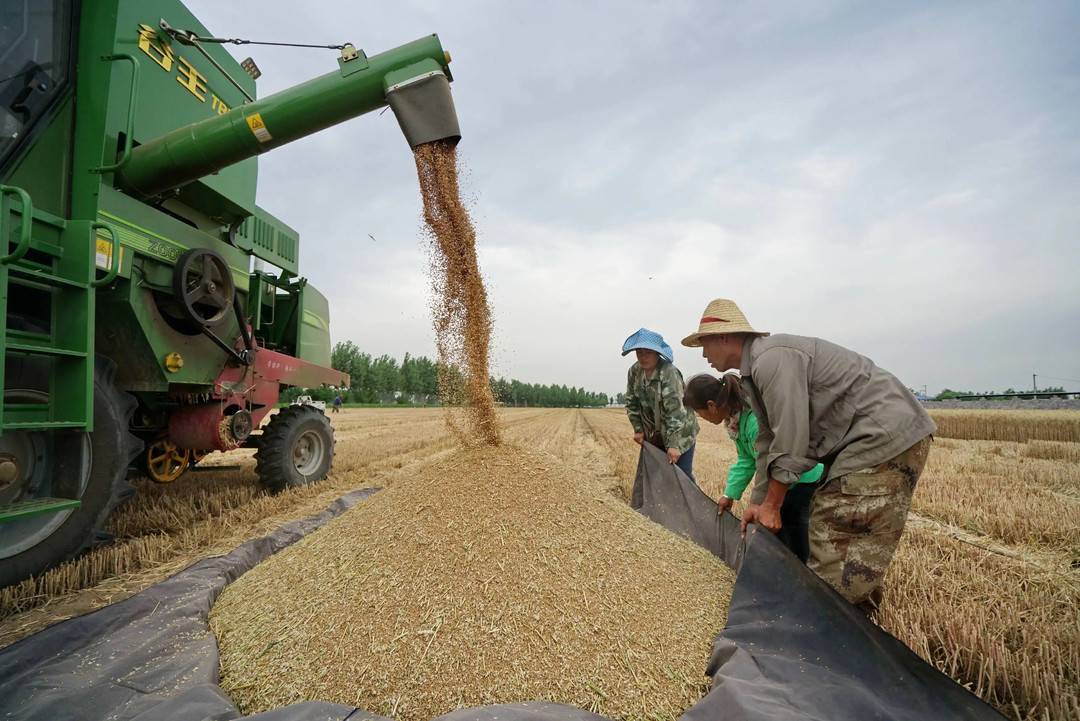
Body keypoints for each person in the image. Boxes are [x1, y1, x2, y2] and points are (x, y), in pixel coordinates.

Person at [681, 299, 936, 609]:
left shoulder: (770, 361)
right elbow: (767, 443)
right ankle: (853, 631)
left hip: (878, 438)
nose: (703, 354)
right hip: (879, 437)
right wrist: (759, 503)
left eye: (704, 344)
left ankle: (825, 639)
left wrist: (773, 505)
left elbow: (790, 438)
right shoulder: (757, 370)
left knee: (836, 544)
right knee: (853, 561)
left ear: (724, 337)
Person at [683, 372, 824, 563]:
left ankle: (800, 573)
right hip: (782, 478)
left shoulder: (752, 423)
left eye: (699, 412)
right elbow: (746, 460)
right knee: (777, 529)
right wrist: (729, 494)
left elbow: (769, 466)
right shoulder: (735, 422)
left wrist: (761, 504)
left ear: (711, 406)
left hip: (800, 478)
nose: (700, 417)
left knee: (792, 528)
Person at [622, 328, 700, 482]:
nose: (643, 357)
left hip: (680, 433)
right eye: (639, 352)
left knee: (680, 478)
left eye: (648, 353)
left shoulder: (669, 373)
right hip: (655, 435)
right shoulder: (635, 371)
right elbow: (631, 402)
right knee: (655, 478)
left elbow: (675, 412)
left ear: (657, 353)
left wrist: (674, 445)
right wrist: (638, 429)